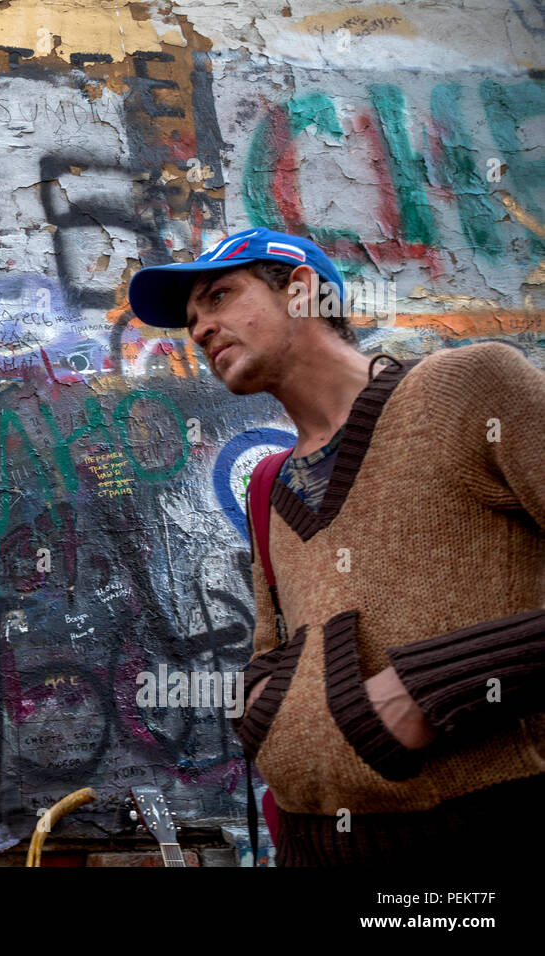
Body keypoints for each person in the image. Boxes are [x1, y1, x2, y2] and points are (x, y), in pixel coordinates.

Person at [127, 226, 545, 866]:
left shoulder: (469, 389)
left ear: (299, 291)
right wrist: (269, 718)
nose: (201, 328)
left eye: (219, 296)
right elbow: (273, 648)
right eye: (191, 319)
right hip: (311, 844)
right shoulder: (267, 484)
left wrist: (429, 689)